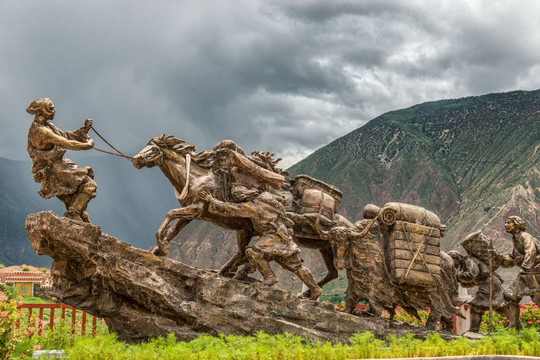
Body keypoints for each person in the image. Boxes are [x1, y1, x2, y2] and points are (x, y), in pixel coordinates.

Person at [198, 188, 322, 300]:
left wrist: (211, 200)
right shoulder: (267, 198)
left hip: (273, 235)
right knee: (296, 266)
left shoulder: (252, 207)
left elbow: (230, 209)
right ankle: (315, 289)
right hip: (283, 235)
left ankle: (270, 277)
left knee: (252, 251)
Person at [26, 98, 97, 222]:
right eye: (51, 108)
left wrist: (83, 130)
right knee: (89, 186)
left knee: (79, 208)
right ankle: (72, 213)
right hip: (55, 169)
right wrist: (88, 145)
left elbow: (65, 135)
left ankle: (81, 227)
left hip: (55, 168)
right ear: (43, 111)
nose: (54, 111)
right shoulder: (41, 131)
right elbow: (67, 143)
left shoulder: (46, 126)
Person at [500, 216, 540, 329]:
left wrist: (525, 267)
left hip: (532, 272)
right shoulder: (516, 238)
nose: (505, 225)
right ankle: (514, 325)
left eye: (509, 223)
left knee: (512, 296)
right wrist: (499, 259)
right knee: (510, 297)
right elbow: (514, 258)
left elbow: (530, 251)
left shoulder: (524, 236)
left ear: (516, 224)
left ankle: (514, 326)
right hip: (528, 272)